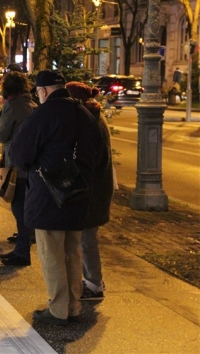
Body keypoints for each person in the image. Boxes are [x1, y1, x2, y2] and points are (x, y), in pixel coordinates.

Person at [10, 70, 101, 326]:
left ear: (43, 91)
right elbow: (96, 152)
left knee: (51, 253)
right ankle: (73, 306)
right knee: (72, 251)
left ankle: (58, 309)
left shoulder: (44, 114)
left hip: (49, 195)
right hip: (78, 193)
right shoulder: (82, 113)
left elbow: (20, 154)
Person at [65, 82, 114, 301]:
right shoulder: (93, 117)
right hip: (95, 187)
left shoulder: (90, 121)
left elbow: (90, 158)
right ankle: (91, 280)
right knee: (86, 236)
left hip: (93, 189)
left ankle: (94, 284)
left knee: (87, 237)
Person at [0, 71, 37, 266]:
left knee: (19, 208)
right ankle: (22, 247)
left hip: (17, 164)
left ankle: (22, 252)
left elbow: (2, 135)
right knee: (23, 206)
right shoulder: (32, 104)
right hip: (31, 164)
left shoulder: (11, 106)